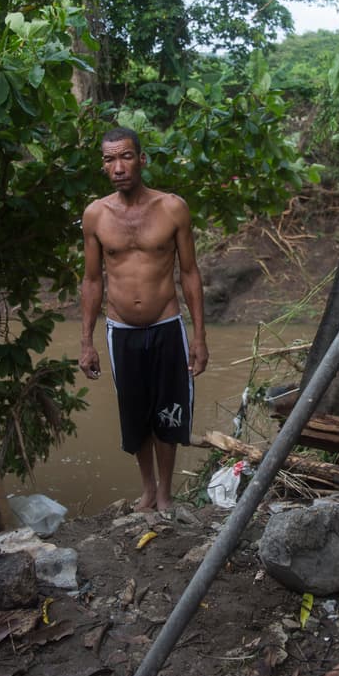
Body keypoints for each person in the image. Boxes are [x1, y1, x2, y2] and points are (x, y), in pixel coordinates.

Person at [79, 126, 209, 512]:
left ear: (142, 159)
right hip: (121, 330)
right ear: (103, 166)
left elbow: (190, 273)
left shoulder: (171, 208)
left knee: (167, 409)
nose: (118, 167)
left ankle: (166, 494)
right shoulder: (95, 215)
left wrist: (199, 337)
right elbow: (91, 279)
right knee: (135, 411)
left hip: (167, 325)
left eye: (126, 157)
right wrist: (86, 343)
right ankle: (148, 491)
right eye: (109, 159)